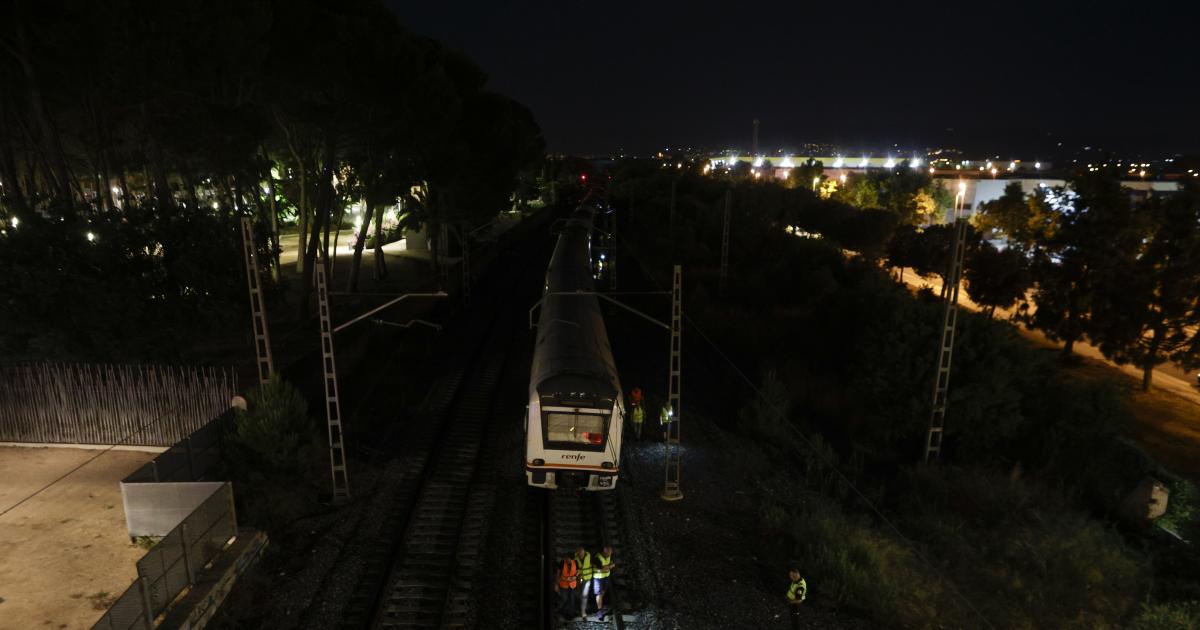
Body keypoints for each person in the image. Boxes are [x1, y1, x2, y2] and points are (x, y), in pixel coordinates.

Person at [592, 545, 616, 620]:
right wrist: (609, 567)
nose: (610, 554)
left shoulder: (609, 555)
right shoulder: (597, 557)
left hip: (606, 577)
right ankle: (599, 611)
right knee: (599, 593)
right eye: (609, 553)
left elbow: (612, 564)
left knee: (602, 592)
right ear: (604, 551)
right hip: (598, 578)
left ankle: (600, 606)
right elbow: (603, 568)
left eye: (611, 553)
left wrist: (607, 566)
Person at [553, 554, 579, 619]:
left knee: (572, 600)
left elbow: (578, 571)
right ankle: (561, 611)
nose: (567, 560)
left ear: (572, 559)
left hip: (572, 585)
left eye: (568, 558)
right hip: (564, 585)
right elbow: (558, 574)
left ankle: (570, 614)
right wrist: (556, 584)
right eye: (566, 558)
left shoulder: (575, 562)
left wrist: (575, 577)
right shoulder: (562, 563)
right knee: (564, 599)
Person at [575, 545, 594, 619]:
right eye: (579, 554)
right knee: (580, 594)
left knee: (584, 595)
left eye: (582, 553)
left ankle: (583, 611)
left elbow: (592, 564)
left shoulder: (588, 556)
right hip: (579, 579)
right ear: (577, 552)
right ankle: (581, 607)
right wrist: (578, 576)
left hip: (587, 579)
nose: (581, 555)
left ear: (584, 552)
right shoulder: (575, 558)